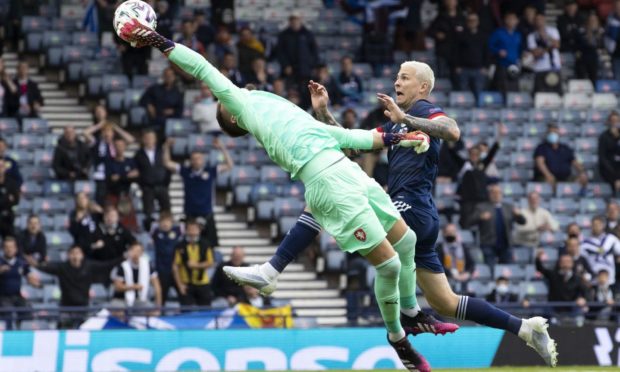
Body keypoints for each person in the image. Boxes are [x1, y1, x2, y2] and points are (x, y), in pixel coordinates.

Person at [122, 23, 440, 370]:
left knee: (406, 241)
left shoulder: (286, 114)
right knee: (390, 263)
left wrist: (403, 138)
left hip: (347, 172)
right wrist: (157, 40)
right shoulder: (242, 105)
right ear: (231, 114)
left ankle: (409, 311)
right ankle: (398, 339)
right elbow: (201, 67)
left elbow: (351, 136)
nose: (233, 90)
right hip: (327, 180)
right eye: (225, 100)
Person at [218, 61, 555, 366]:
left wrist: (405, 118)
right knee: (446, 301)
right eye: (396, 76)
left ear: (423, 87)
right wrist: (323, 113)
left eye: (405, 77)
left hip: (410, 206)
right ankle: (524, 327)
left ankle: (277, 270)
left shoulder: (423, 109)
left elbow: (452, 130)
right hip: (419, 214)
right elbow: (349, 147)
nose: (397, 82)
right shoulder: (399, 119)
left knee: (324, 196)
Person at [163, 138, 233, 247]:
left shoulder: (210, 171)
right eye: (194, 159)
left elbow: (229, 165)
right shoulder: (185, 171)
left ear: (203, 160)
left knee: (210, 245)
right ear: (191, 160)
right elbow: (167, 163)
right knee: (188, 245)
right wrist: (166, 147)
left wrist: (222, 148)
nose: (196, 161)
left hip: (207, 214)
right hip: (190, 214)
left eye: (199, 158)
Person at [34, 245, 124, 328]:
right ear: (68, 255)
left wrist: (123, 258)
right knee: (64, 330)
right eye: (72, 253)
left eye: (77, 253)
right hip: (66, 308)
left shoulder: (89, 266)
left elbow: (106, 265)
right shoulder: (62, 267)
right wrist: (33, 263)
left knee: (84, 331)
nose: (75, 256)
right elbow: (45, 268)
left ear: (82, 255)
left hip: (84, 307)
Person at [463, 184, 526, 266]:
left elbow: (523, 222)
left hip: (506, 244)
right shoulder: (481, 207)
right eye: (493, 192)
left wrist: (518, 215)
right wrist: (480, 217)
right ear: (489, 194)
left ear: (501, 194)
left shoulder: (509, 207)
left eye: (498, 192)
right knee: (490, 269)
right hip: (488, 244)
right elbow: (468, 222)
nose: (496, 195)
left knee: (507, 269)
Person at [83, 121, 135, 206]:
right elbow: (85, 133)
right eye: (105, 131)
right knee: (101, 200)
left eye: (109, 131)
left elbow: (131, 139)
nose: (107, 134)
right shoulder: (97, 143)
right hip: (101, 177)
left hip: (114, 176)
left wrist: (116, 128)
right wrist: (99, 125)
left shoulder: (116, 144)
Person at [276, 13, 319, 105]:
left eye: (296, 19)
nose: (295, 22)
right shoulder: (283, 35)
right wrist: (285, 65)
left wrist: (311, 66)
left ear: (300, 20)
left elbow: (314, 52)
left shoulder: (308, 34)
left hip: (305, 71)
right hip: (289, 72)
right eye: (292, 20)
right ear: (290, 21)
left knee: (306, 93)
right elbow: (280, 52)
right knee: (291, 93)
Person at [133, 130, 171, 231]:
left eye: (151, 138)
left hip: (162, 185)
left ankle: (167, 229)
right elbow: (137, 170)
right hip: (147, 187)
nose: (149, 140)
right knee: (148, 211)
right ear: (143, 140)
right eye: (147, 138)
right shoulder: (138, 154)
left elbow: (167, 167)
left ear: (155, 139)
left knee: (166, 210)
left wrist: (166, 181)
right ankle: (149, 231)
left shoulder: (161, 151)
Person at [0, 237, 40, 330]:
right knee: (8, 313)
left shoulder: (21, 263)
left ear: (16, 249)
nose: (9, 249)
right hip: (3, 297)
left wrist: (33, 282)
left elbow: (29, 275)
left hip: (17, 295)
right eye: (6, 247)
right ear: (3, 249)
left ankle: (22, 332)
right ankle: (8, 335)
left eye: (11, 247)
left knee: (27, 311)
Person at [173, 220, 215, 307]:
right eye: (190, 229)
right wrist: (180, 285)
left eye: (195, 229)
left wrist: (196, 265)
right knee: (186, 312)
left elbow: (211, 263)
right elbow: (175, 266)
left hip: (202, 283)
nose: (192, 232)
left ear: (199, 231)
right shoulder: (180, 246)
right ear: (186, 231)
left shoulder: (206, 244)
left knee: (205, 310)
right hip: (186, 284)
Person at [457, 142, 500, 225]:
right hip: (468, 201)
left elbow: (492, 154)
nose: (474, 156)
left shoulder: (483, 164)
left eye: (477, 154)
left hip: (482, 200)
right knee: (466, 222)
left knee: (486, 221)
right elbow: (453, 153)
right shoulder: (464, 164)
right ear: (469, 155)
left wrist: (499, 138)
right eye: (472, 154)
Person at [111, 242, 162, 310]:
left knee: (151, 311)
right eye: (133, 251)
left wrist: (158, 307)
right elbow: (117, 287)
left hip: (140, 300)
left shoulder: (147, 265)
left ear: (142, 253)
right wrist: (133, 287)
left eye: (138, 251)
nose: (136, 254)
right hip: (121, 299)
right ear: (129, 252)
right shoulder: (122, 266)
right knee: (118, 310)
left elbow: (157, 286)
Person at [535, 251, 588, 317]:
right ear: (560, 263)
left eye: (568, 262)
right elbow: (540, 269)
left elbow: (585, 291)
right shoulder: (553, 275)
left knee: (580, 311)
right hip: (554, 307)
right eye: (563, 262)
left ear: (572, 264)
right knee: (545, 311)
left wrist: (582, 298)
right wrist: (538, 258)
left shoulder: (577, 278)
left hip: (571, 307)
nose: (566, 264)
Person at [427, 0, 466, 82]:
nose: (451, 3)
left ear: (456, 3)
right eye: (449, 1)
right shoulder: (440, 17)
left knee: (456, 78)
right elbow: (430, 31)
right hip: (443, 51)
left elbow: (467, 34)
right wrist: (437, 34)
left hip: (458, 53)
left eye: (453, 1)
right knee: (441, 77)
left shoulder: (461, 17)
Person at [455, 13, 489, 100]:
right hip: (464, 69)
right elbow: (457, 52)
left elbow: (487, 52)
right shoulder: (461, 35)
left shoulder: (483, 36)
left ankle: (479, 112)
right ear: (467, 22)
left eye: (474, 20)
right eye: (470, 21)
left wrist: (485, 67)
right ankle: (463, 112)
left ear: (478, 22)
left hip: (479, 69)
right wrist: (457, 66)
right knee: (463, 93)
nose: (472, 22)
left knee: (479, 92)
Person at [139, 68, 184, 135]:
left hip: (170, 120)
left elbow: (180, 109)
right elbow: (143, 100)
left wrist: (173, 111)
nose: (168, 78)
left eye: (170, 76)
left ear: (174, 77)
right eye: (166, 75)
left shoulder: (177, 93)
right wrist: (149, 105)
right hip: (155, 118)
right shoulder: (154, 88)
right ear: (163, 77)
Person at [151, 212, 183, 304]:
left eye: (168, 221)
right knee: (162, 295)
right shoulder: (156, 233)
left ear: (172, 223)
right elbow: (149, 225)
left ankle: (186, 314)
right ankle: (160, 315)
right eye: (163, 222)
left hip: (176, 270)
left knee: (182, 293)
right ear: (159, 223)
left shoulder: (176, 232)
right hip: (162, 270)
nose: (165, 224)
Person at [526, 14, 562, 94]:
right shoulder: (531, 36)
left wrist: (546, 37)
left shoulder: (553, 31)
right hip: (540, 68)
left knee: (556, 93)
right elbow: (535, 53)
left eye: (541, 19)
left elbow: (557, 45)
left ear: (544, 20)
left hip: (554, 67)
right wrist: (548, 47)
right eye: (537, 20)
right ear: (534, 22)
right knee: (539, 94)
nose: (539, 22)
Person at [580, 215, 620, 287]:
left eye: (599, 225)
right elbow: (582, 260)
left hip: (609, 276)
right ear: (591, 226)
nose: (596, 227)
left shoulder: (611, 239)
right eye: (594, 225)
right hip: (593, 276)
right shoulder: (585, 243)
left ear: (603, 226)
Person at [488, 11, 522, 96]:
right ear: (505, 20)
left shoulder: (518, 35)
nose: (511, 21)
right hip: (502, 65)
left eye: (513, 19)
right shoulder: (498, 33)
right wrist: (498, 51)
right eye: (509, 19)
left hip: (514, 65)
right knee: (502, 88)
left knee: (514, 88)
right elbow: (489, 46)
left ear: (517, 21)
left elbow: (520, 49)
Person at [436, 223, 474, 292]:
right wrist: (452, 273)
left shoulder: (463, 247)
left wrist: (467, 274)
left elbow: (471, 264)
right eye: (448, 232)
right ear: (444, 234)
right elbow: (439, 265)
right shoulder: (439, 248)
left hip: (463, 277)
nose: (451, 234)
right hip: (446, 279)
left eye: (453, 231)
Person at [575, 13, 604, 84]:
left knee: (594, 77)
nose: (592, 22)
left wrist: (597, 37)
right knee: (582, 77)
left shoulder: (601, 31)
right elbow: (579, 44)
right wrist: (589, 35)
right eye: (591, 20)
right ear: (587, 21)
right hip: (583, 57)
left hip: (594, 58)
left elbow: (602, 45)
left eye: (594, 20)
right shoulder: (581, 31)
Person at [598, 110, 620, 195]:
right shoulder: (604, 137)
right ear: (609, 122)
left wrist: (617, 138)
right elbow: (602, 157)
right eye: (613, 121)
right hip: (608, 169)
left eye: (618, 121)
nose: (616, 123)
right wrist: (616, 177)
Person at [0, 161, 19, 239]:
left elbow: (16, 200)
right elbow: (9, 200)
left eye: (2, 166)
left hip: (8, 218)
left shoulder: (11, 183)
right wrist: (7, 198)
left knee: (10, 241)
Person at [605, 0, 620, 82]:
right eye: (617, 6)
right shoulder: (611, 20)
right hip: (617, 55)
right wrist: (610, 49)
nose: (619, 8)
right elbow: (608, 37)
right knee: (617, 79)